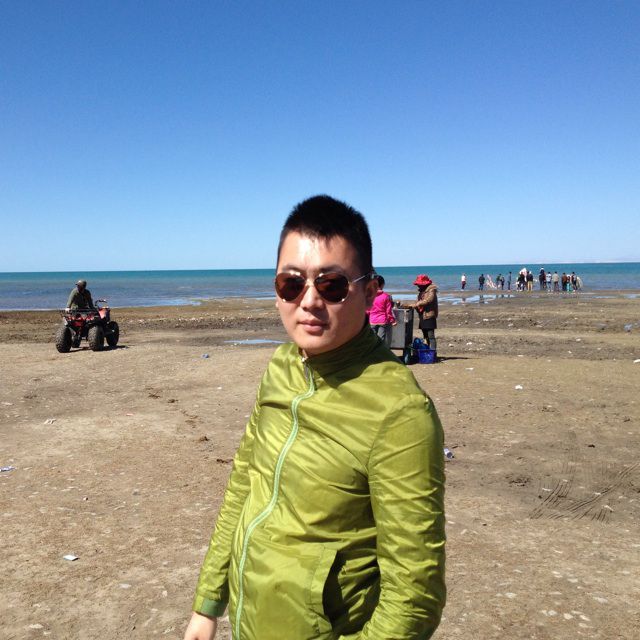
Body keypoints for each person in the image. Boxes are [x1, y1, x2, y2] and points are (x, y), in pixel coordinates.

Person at [184, 195, 446, 640]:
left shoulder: (399, 412)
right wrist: (208, 605)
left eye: (331, 285)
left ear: (369, 292)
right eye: (291, 284)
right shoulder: (281, 367)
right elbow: (244, 485)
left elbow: (415, 595)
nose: (308, 302)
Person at [404, 274, 439, 352]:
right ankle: (427, 351)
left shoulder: (431, 290)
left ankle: (433, 352)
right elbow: (419, 302)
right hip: (422, 315)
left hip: (429, 315)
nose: (418, 286)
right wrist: (413, 305)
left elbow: (428, 300)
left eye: (419, 284)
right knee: (425, 336)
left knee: (431, 335)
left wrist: (416, 304)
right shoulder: (421, 292)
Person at [368, 274, 397, 347]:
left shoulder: (370, 295)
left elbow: (367, 310)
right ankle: (379, 353)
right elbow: (388, 311)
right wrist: (392, 321)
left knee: (372, 340)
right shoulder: (386, 296)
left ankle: (372, 353)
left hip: (372, 321)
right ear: (382, 284)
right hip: (382, 321)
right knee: (381, 340)